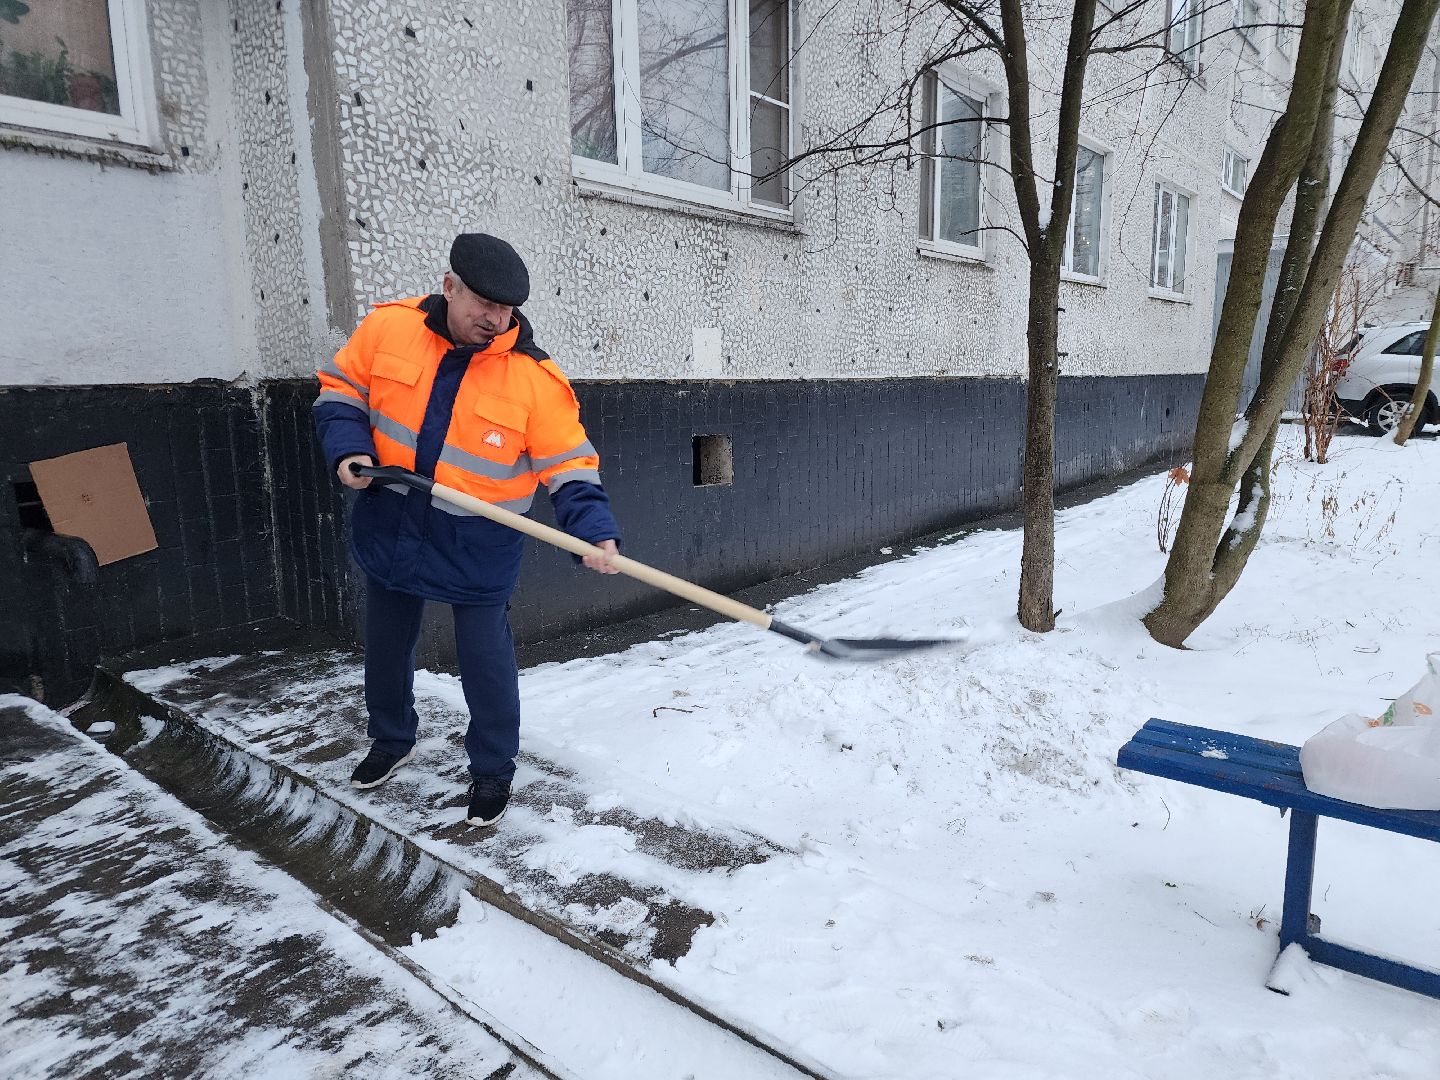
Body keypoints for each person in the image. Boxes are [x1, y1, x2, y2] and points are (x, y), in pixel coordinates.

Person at [313, 233, 621, 827]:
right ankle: (391, 737)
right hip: (392, 521)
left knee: (485, 661)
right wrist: (347, 450)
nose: (495, 319)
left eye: (506, 310)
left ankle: (492, 770)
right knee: (385, 643)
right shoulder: (389, 329)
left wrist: (594, 531)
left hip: (475, 545)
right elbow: (342, 388)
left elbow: (570, 466)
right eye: (483, 303)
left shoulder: (533, 379)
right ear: (449, 287)